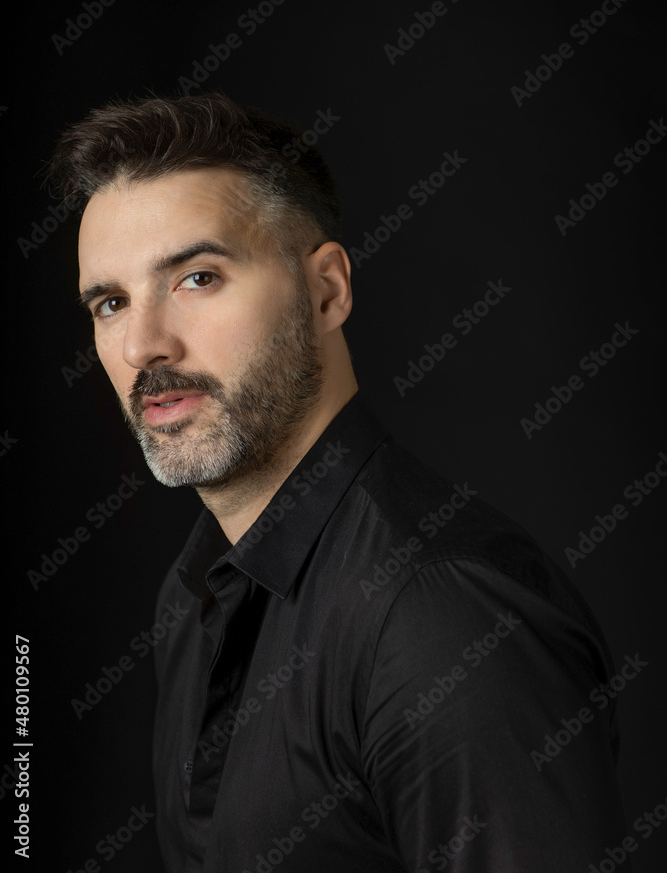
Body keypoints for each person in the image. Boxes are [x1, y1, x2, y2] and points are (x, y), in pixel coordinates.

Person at [50, 92, 628, 872]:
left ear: (326, 290)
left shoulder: (439, 612)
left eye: (196, 278)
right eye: (111, 303)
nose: (144, 345)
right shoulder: (193, 598)